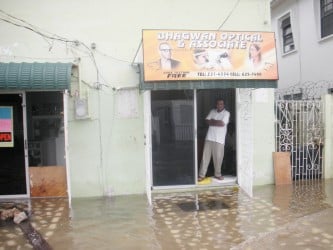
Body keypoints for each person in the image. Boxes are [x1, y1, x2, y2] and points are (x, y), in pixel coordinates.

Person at [198, 99, 230, 181]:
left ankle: (217, 174)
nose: (219, 105)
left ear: (224, 105)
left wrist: (212, 121)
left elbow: (222, 123)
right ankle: (201, 175)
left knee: (218, 158)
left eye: (221, 104)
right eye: (218, 104)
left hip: (219, 139)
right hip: (209, 138)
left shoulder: (226, 113)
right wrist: (216, 122)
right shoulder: (212, 111)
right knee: (205, 157)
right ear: (216, 105)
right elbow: (207, 121)